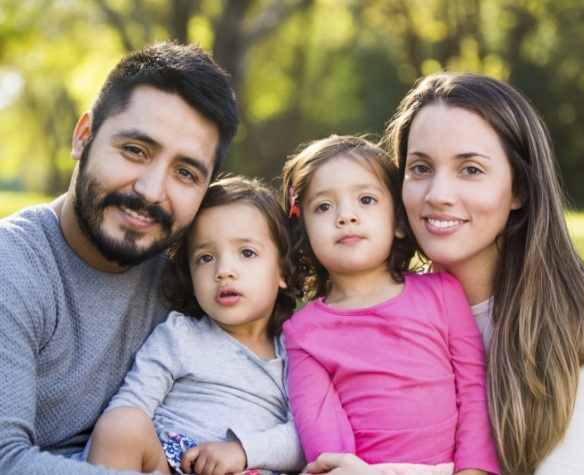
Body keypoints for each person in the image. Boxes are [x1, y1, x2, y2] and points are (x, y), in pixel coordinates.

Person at [306, 72, 584, 475]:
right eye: (420, 168)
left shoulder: (580, 319)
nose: (437, 194)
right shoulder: (378, 308)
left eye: (470, 169)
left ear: (519, 190)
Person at [0, 41, 238, 474]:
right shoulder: (11, 268)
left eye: (185, 173)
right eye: (135, 150)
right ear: (83, 136)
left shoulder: (189, 286)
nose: (150, 191)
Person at [281, 135, 500, 475]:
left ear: (399, 221)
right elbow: (320, 424)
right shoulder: (303, 331)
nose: (346, 216)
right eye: (323, 206)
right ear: (304, 231)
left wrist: (473, 470)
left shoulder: (442, 294)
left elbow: (475, 391)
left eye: (366, 199)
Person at [85, 175, 306, 475]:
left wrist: (242, 451)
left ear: (282, 270)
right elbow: (131, 405)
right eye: (205, 257)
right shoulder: (180, 335)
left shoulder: (296, 353)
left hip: (243, 468)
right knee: (121, 424)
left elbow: (305, 438)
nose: (223, 271)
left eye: (246, 253)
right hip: (165, 462)